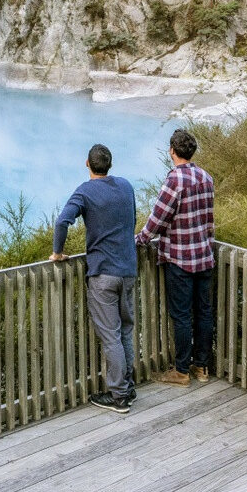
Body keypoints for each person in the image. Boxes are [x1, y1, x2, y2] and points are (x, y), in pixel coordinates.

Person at [52, 143, 137, 414]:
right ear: (109, 164)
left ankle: (120, 396)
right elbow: (132, 220)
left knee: (110, 336)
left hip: (103, 273)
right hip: (128, 270)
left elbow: (62, 221)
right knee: (125, 331)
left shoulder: (85, 191)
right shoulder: (126, 186)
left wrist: (58, 252)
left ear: (87, 163)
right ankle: (129, 386)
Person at [138, 127, 216, 385]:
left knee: (182, 315)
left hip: (180, 259)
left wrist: (140, 239)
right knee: (203, 313)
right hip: (204, 256)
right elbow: (209, 220)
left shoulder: (174, 181)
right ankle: (202, 367)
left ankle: (182, 370)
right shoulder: (206, 177)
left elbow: (157, 218)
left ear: (172, 151)